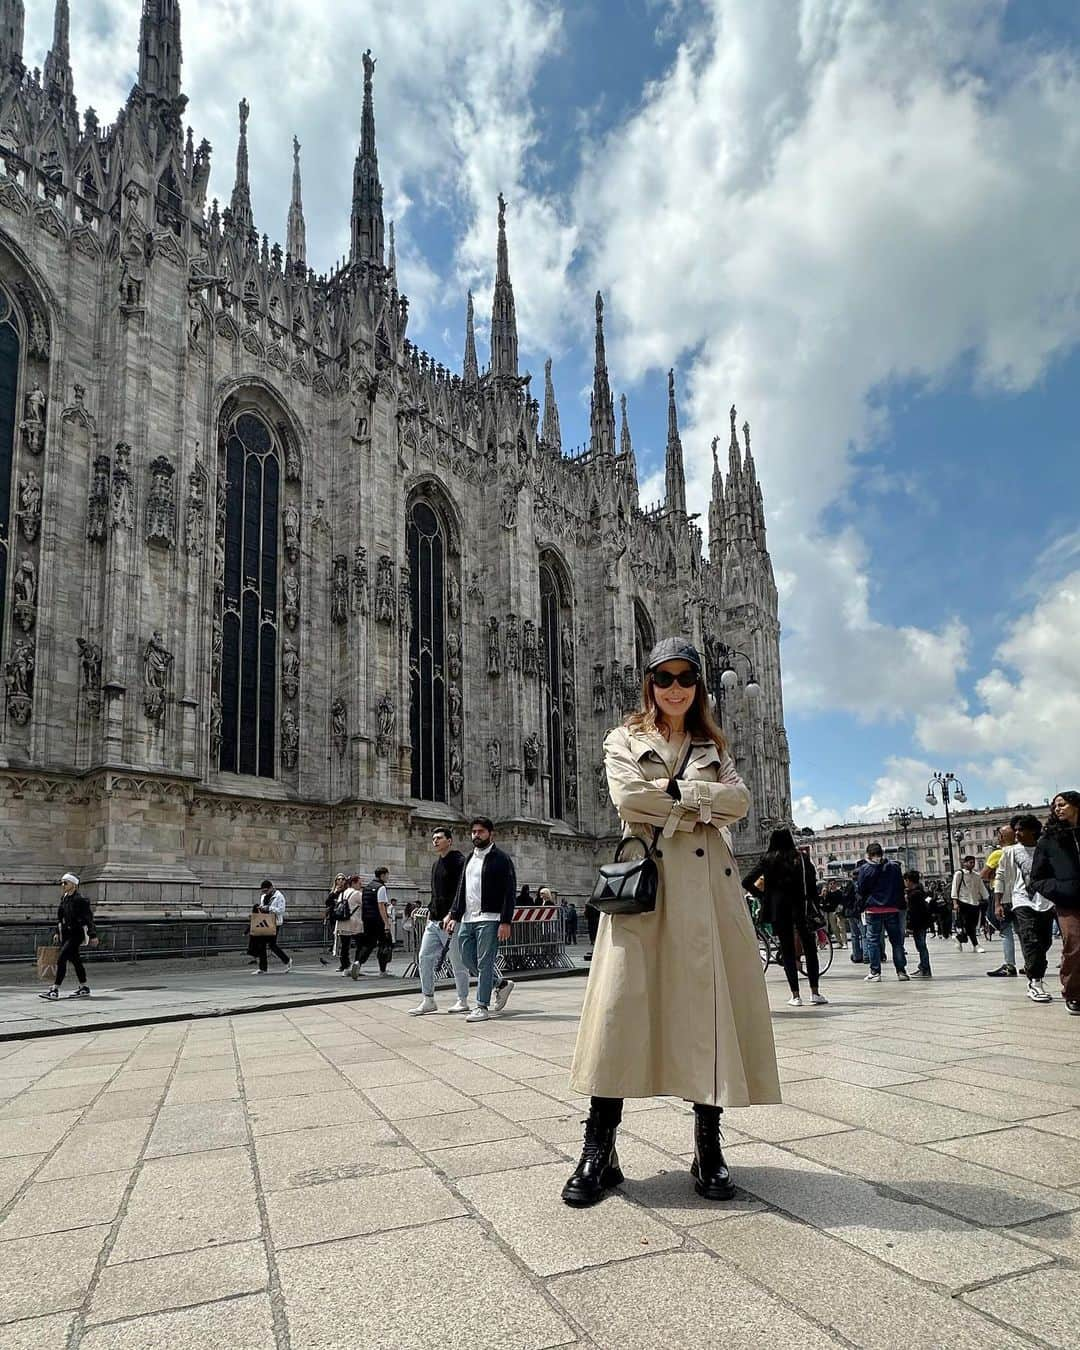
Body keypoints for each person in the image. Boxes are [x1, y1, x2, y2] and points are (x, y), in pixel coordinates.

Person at [566, 638, 780, 1208]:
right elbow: (627, 798)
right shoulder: (624, 739)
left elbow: (741, 802)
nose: (675, 687)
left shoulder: (713, 744)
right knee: (620, 1011)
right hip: (646, 889)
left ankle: (708, 1148)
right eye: (664, 677)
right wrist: (700, 805)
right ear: (650, 684)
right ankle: (599, 1148)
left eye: (686, 678)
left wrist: (677, 794)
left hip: (707, 895)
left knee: (705, 1014)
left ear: (698, 686)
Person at [743, 830, 827, 1008]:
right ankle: (815, 992)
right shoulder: (802, 858)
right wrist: (814, 904)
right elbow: (811, 885)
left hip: (779, 911)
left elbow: (747, 881)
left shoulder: (768, 859)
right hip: (801, 908)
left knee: (787, 951)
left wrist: (764, 896)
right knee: (810, 950)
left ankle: (795, 996)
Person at [445, 818, 516, 1023]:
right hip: (468, 918)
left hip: (490, 917)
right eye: (474, 832)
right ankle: (500, 984)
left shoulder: (501, 859)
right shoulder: (469, 858)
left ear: (491, 834)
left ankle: (481, 1006)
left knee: (486, 962)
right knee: (467, 959)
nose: (476, 835)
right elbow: (462, 889)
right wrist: (454, 915)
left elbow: (509, 891)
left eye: (481, 832)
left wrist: (505, 921)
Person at [1030, 791, 1080, 1015]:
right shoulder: (1049, 840)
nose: (1058, 808)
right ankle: (1074, 993)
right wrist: (1061, 889)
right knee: (1075, 944)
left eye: (1063, 804)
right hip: (1068, 900)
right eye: (1055, 806)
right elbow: (1037, 878)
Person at [996, 815, 1055, 1004]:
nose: (1017, 833)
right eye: (1016, 830)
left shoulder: (1045, 848)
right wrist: (998, 902)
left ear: (1033, 831)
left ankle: (1035, 969)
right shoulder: (1010, 851)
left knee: (1045, 942)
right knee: (1031, 939)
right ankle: (1035, 982)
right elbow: (1001, 875)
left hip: (1046, 900)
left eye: (1021, 829)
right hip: (1022, 900)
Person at [410, 828, 470, 1015]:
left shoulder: (459, 862)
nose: (435, 841)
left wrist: (453, 915)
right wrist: (430, 910)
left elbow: (462, 891)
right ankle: (428, 999)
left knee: (457, 961)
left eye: (439, 838)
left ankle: (463, 999)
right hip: (434, 920)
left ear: (449, 841)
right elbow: (437, 892)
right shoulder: (436, 864)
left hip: (451, 921)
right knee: (424, 957)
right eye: (433, 838)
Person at [39, 873, 99, 1001]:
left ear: (74, 885)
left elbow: (89, 919)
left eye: (65, 883)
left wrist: (93, 935)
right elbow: (60, 917)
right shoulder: (64, 898)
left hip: (76, 934)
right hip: (66, 934)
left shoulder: (80, 900)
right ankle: (84, 987)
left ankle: (54, 990)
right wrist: (57, 932)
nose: (63, 885)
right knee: (76, 961)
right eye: (62, 882)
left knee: (61, 959)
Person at [856, 843, 908, 982]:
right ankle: (901, 971)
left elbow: (861, 889)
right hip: (892, 908)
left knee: (873, 941)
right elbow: (900, 887)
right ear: (882, 853)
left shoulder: (865, 869)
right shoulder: (894, 867)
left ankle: (875, 972)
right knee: (896, 942)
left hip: (873, 909)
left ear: (868, 854)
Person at [985, 820, 1021, 977]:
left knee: (1006, 932)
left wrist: (997, 902)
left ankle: (1009, 965)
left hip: (1004, 897)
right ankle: (1029, 963)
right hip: (1021, 897)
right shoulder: (1022, 851)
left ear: (1001, 837)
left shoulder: (999, 853)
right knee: (1022, 932)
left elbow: (984, 875)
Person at [349, 868, 392, 977]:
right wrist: (386, 923)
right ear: (382, 875)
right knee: (385, 944)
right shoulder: (381, 888)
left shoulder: (367, 888)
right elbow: (381, 906)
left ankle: (358, 962)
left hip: (367, 920)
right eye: (387, 875)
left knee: (369, 944)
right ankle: (383, 971)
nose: (388, 877)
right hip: (379, 920)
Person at [252, 879, 291, 974]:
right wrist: (261, 908)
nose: (264, 893)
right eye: (263, 891)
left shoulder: (279, 896)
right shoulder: (263, 897)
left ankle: (287, 960)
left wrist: (269, 908)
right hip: (265, 921)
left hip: (275, 922)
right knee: (261, 944)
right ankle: (263, 968)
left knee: (272, 945)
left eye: (266, 890)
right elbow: (263, 906)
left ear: (271, 888)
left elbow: (281, 910)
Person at [952, 856, 988, 952]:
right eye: (970, 862)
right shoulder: (959, 874)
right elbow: (954, 888)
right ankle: (976, 945)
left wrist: (986, 897)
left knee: (974, 924)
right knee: (969, 925)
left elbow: (981, 888)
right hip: (963, 902)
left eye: (973, 862)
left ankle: (959, 938)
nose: (972, 864)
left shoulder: (977, 875)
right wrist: (955, 903)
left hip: (975, 903)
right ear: (965, 863)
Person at [902, 869, 933, 977]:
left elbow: (913, 912)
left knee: (921, 946)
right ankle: (923, 967)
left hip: (918, 924)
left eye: (905, 880)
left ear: (909, 881)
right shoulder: (920, 892)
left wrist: (910, 926)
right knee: (921, 946)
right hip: (923, 923)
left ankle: (925, 969)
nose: (905, 883)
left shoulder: (914, 895)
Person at [334, 874, 366, 975]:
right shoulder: (357, 893)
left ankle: (346, 968)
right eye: (359, 883)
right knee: (360, 945)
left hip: (342, 922)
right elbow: (365, 905)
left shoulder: (342, 894)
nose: (361, 885)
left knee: (344, 947)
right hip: (354, 923)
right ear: (353, 883)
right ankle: (356, 966)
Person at [841, 875, 867, 962]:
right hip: (860, 912)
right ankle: (866, 955)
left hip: (850, 913)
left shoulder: (849, 884)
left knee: (854, 935)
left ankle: (856, 956)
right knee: (864, 935)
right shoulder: (861, 884)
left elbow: (844, 898)